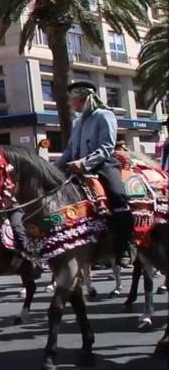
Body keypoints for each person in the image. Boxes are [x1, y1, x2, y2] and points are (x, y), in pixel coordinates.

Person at [56, 81, 134, 267]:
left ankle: (125, 247)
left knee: (117, 197)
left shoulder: (105, 115)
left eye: (74, 100)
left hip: (102, 164)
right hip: (76, 166)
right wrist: (55, 167)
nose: (72, 104)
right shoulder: (77, 121)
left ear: (84, 99)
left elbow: (106, 147)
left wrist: (84, 163)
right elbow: (70, 149)